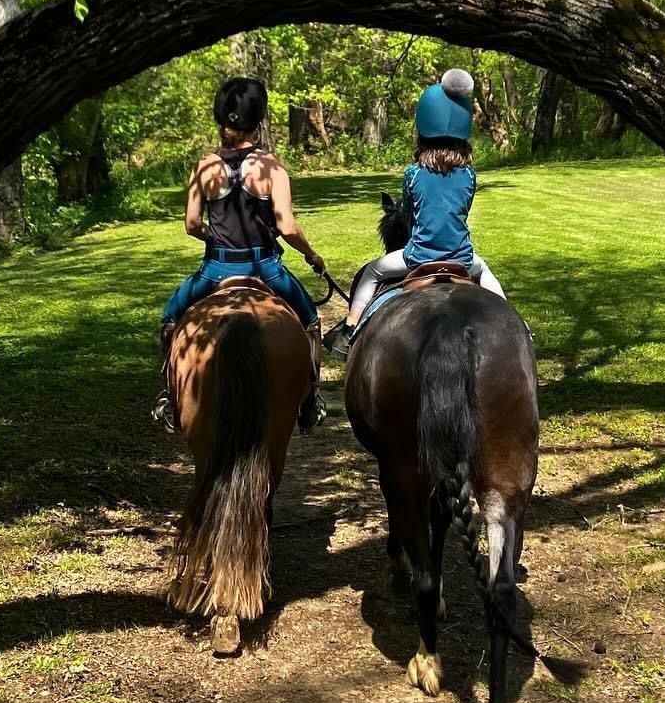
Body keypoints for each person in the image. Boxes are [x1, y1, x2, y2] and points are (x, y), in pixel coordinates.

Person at [153, 76, 327, 433]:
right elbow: (288, 227)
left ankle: (170, 398)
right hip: (266, 268)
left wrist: (210, 237)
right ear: (258, 119)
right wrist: (312, 256)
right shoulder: (272, 167)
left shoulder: (204, 166)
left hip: (216, 269)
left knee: (171, 317)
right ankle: (310, 401)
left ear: (221, 118)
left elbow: (190, 223)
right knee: (310, 321)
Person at [329, 68, 504, 350]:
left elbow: (409, 218)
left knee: (372, 272)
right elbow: (463, 211)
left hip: (418, 257)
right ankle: (518, 329)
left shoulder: (414, 173)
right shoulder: (469, 174)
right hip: (462, 259)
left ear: (423, 129)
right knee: (486, 274)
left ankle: (350, 328)